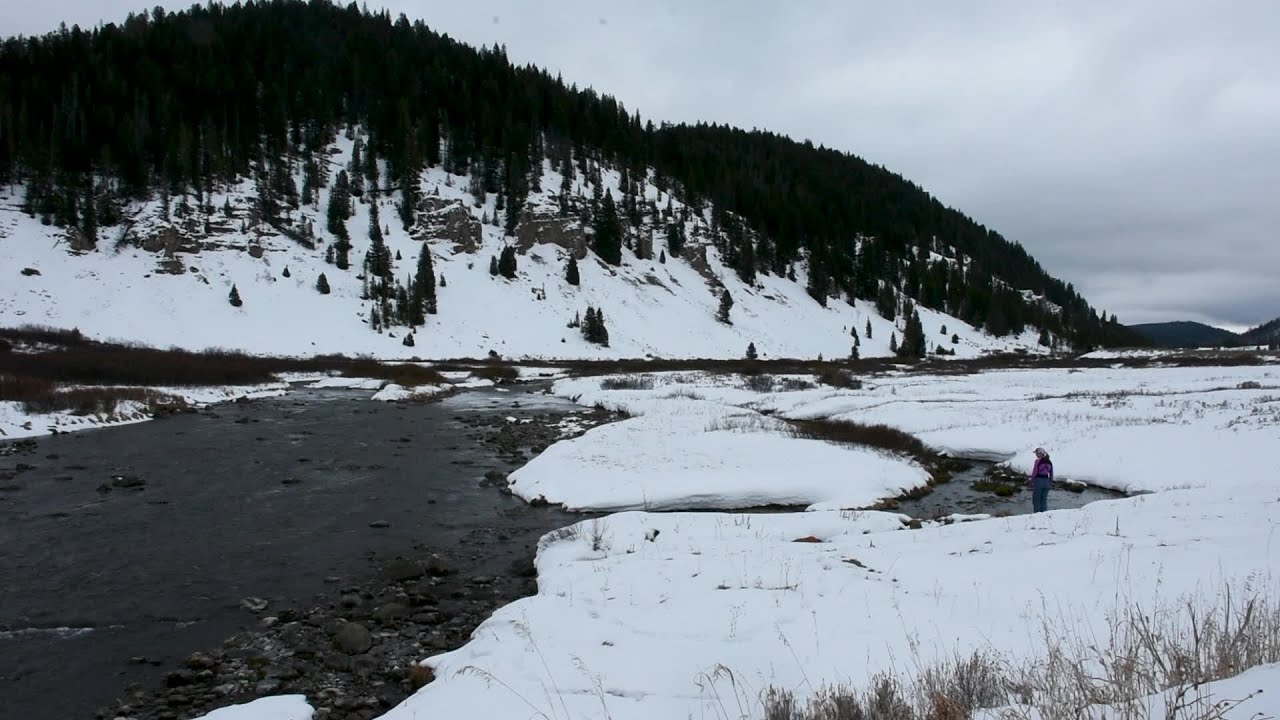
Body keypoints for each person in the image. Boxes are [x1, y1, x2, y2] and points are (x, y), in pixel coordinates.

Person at [1028, 447, 1054, 513]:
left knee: (1036, 500)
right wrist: (1050, 483)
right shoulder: (1049, 462)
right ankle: (1043, 515)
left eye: (1037, 453)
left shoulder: (1037, 461)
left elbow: (1035, 472)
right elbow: (1051, 473)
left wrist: (1031, 481)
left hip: (1039, 481)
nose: (1036, 455)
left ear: (1040, 454)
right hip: (1046, 482)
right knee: (1044, 500)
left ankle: (1036, 515)